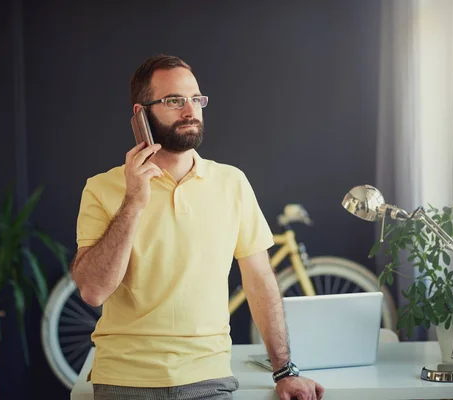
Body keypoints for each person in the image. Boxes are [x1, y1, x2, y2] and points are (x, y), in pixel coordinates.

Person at [71, 54, 324, 400]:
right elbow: (93, 291)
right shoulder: (102, 188)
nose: (190, 111)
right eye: (174, 101)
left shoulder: (231, 182)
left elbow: (260, 281)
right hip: (125, 380)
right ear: (141, 114)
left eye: (196, 99)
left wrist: (284, 370)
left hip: (209, 379)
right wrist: (133, 201)